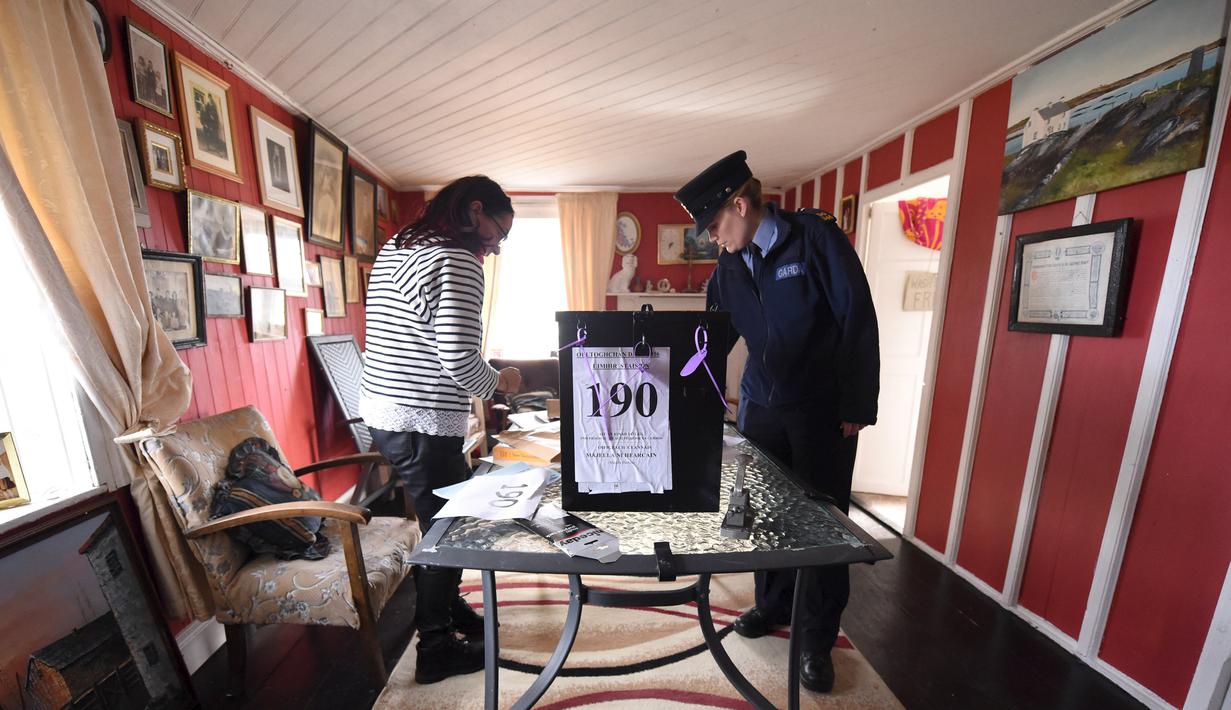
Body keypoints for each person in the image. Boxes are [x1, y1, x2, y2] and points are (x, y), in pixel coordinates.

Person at [674, 150, 879, 694]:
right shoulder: (728, 265)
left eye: (714, 225)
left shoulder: (814, 239)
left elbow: (856, 315)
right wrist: (692, 399)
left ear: (741, 205)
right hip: (762, 408)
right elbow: (714, 339)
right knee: (762, 519)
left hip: (821, 411)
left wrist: (857, 405)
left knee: (821, 529)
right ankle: (772, 606)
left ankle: (815, 640)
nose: (712, 238)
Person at [358, 175, 523, 685]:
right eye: (499, 232)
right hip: (423, 419)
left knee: (441, 520)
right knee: (450, 529)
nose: (496, 247)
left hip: (386, 415)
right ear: (476, 211)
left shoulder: (401, 245)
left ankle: (449, 613)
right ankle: (435, 647)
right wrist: (503, 381)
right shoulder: (457, 261)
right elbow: (457, 360)